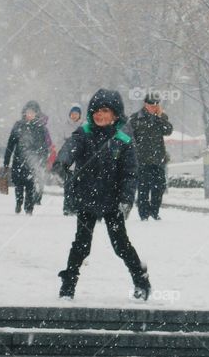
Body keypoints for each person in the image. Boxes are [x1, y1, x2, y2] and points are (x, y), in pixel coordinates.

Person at [53, 89, 150, 301]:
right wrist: (62, 163)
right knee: (81, 244)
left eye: (105, 110)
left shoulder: (123, 138)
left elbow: (129, 174)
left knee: (120, 245)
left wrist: (126, 199)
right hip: (87, 198)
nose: (100, 115)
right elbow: (70, 148)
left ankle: (141, 279)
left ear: (115, 114)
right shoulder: (84, 132)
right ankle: (68, 284)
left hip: (112, 201)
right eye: (96, 110)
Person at [128, 93, 173, 220]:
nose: (154, 107)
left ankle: (154, 212)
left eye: (156, 105)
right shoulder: (135, 118)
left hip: (158, 159)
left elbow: (168, 130)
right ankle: (144, 214)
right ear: (145, 104)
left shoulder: (161, 117)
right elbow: (129, 138)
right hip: (142, 160)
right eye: (151, 104)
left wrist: (159, 118)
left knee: (159, 188)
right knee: (143, 188)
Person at [3, 100, 51, 215]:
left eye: (32, 112)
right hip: (19, 160)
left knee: (31, 185)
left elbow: (44, 146)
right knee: (18, 185)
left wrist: (42, 160)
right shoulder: (18, 125)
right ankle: (19, 202)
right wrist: (6, 161)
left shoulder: (40, 128)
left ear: (36, 114)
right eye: (28, 112)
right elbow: (10, 144)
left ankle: (29, 207)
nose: (30, 115)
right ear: (24, 113)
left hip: (33, 162)